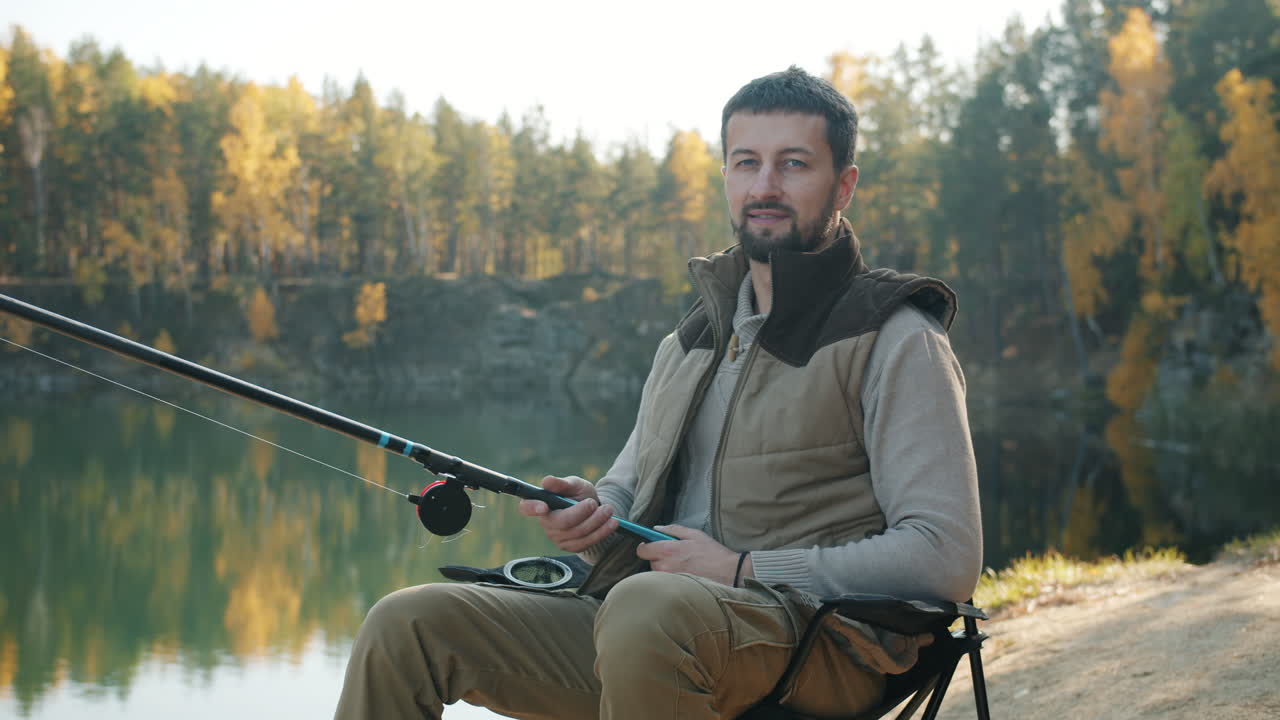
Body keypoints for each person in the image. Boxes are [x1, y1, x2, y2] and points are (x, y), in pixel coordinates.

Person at [334, 66, 982, 720]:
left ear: (844, 185)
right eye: (746, 162)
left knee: (647, 610)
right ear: (726, 177)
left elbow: (944, 556)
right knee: (406, 624)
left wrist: (743, 569)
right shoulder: (687, 343)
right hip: (649, 629)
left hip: (827, 643)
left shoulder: (893, 335)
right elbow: (622, 494)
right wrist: (588, 514)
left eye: (794, 164)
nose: (765, 185)